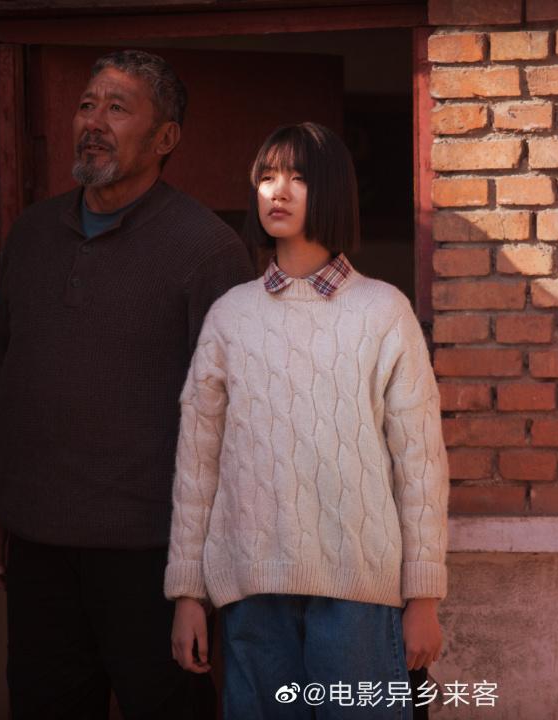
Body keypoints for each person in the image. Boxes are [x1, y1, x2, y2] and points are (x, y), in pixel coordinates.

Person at [0, 49, 254, 719]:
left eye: (117, 109)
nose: (93, 122)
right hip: (37, 545)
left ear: (165, 137)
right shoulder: (33, 234)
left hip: (152, 554)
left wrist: (203, 570)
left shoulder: (206, 250)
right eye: (87, 105)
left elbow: (231, 416)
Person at [164, 122, 448, 719]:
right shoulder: (230, 316)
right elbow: (197, 464)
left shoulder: (383, 312)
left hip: (359, 595)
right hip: (250, 590)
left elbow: (420, 464)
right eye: (267, 177)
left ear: (332, 191)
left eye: (297, 177)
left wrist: (423, 597)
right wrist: (188, 592)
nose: (278, 191)